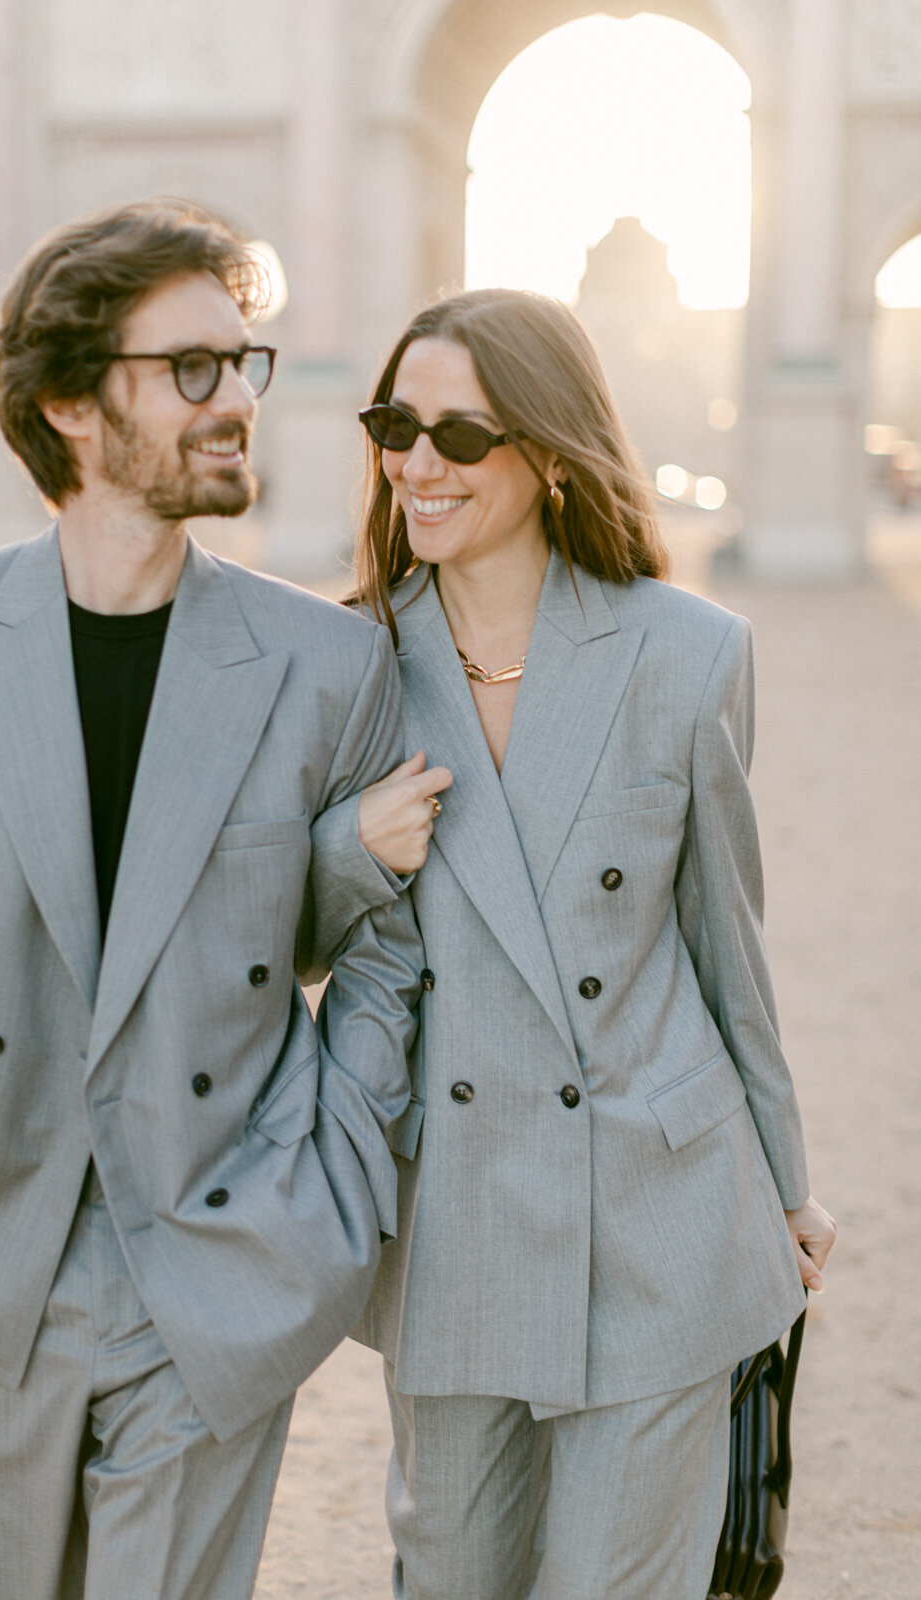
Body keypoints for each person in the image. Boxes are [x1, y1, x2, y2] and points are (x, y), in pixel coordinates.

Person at [0, 198, 434, 1600]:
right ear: (68, 402)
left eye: (244, 362)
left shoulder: (327, 664)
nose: (237, 399)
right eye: (191, 368)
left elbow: (384, 958)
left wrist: (328, 1189)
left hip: (223, 1258)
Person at [310, 287, 837, 1600]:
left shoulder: (689, 655)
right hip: (453, 1220)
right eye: (395, 427)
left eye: (459, 435)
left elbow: (728, 950)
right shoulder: (345, 663)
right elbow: (282, 953)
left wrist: (783, 1188)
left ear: (550, 453)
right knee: (450, 1575)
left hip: (659, 1213)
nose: (417, 465)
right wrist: (349, 850)